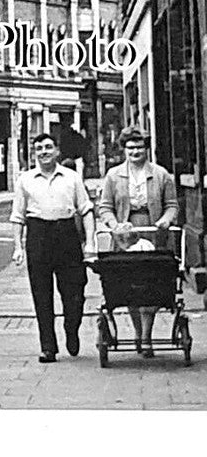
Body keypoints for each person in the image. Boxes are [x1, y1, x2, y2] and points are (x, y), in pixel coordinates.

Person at [10, 132, 96, 363]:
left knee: (75, 292)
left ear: (57, 151)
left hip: (67, 234)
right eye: (39, 148)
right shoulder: (25, 180)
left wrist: (90, 243)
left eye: (48, 147)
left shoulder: (71, 177)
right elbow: (18, 216)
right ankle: (48, 346)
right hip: (38, 236)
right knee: (41, 293)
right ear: (34, 153)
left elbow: (86, 209)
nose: (44, 152)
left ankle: (72, 329)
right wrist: (18, 246)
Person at [96, 126, 177, 357]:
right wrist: (115, 225)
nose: (135, 152)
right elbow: (105, 207)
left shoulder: (161, 174)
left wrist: (165, 220)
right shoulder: (114, 175)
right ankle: (137, 331)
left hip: (153, 231)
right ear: (124, 150)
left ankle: (147, 336)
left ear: (146, 148)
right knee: (129, 283)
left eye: (139, 147)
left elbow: (172, 205)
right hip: (125, 235)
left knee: (151, 283)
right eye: (130, 148)